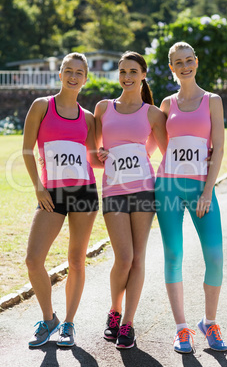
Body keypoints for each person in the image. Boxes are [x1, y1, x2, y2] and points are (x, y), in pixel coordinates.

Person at [23, 52, 101, 347]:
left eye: (78, 72)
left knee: (76, 259)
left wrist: (118, 154)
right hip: (51, 194)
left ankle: (68, 324)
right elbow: (28, 149)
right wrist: (38, 186)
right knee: (33, 259)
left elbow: (93, 157)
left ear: (85, 78)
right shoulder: (42, 106)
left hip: (84, 192)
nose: (73, 76)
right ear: (60, 74)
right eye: (68, 70)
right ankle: (49, 318)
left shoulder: (89, 118)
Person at [155, 42, 227, 353]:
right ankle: (181, 328)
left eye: (188, 60)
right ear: (171, 68)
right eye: (178, 62)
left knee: (215, 258)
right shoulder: (166, 104)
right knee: (174, 256)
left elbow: (219, 148)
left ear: (196, 62)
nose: (184, 66)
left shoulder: (212, 101)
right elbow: (162, 143)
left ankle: (209, 322)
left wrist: (207, 189)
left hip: (201, 189)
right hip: (167, 187)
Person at [94, 51, 167, 349]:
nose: (126, 76)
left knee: (138, 258)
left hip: (143, 191)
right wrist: (98, 155)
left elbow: (167, 153)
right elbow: (93, 152)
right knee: (123, 258)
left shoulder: (152, 114)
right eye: (122, 71)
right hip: (112, 190)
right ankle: (115, 310)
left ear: (143, 74)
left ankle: (128, 324)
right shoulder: (102, 108)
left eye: (133, 71)